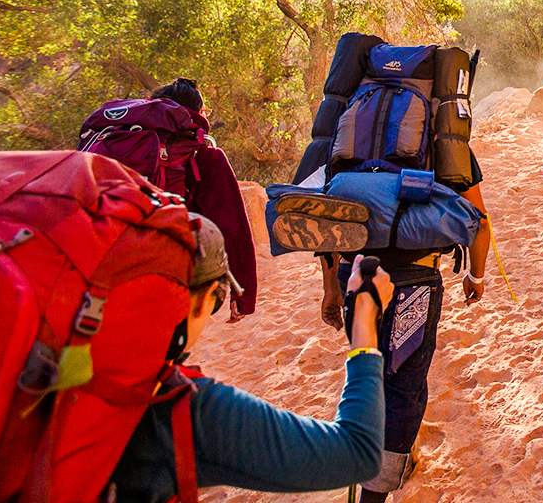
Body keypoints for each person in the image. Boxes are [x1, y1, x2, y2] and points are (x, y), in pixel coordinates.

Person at [108, 215, 388, 502]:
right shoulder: (180, 408)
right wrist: (365, 320)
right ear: (206, 298)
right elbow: (357, 453)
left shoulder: (80, 359)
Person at [316, 167, 493, 501]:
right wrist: (476, 276)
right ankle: (374, 495)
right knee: (403, 385)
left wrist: (330, 289)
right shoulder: (443, 139)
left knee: (371, 370)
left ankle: (392, 458)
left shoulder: (347, 138)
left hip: (354, 272)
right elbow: (480, 221)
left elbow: (326, 219)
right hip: (415, 275)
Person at [149, 77, 259, 320]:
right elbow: (233, 228)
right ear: (196, 114)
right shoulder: (204, 156)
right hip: (174, 272)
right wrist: (244, 294)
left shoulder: (125, 146)